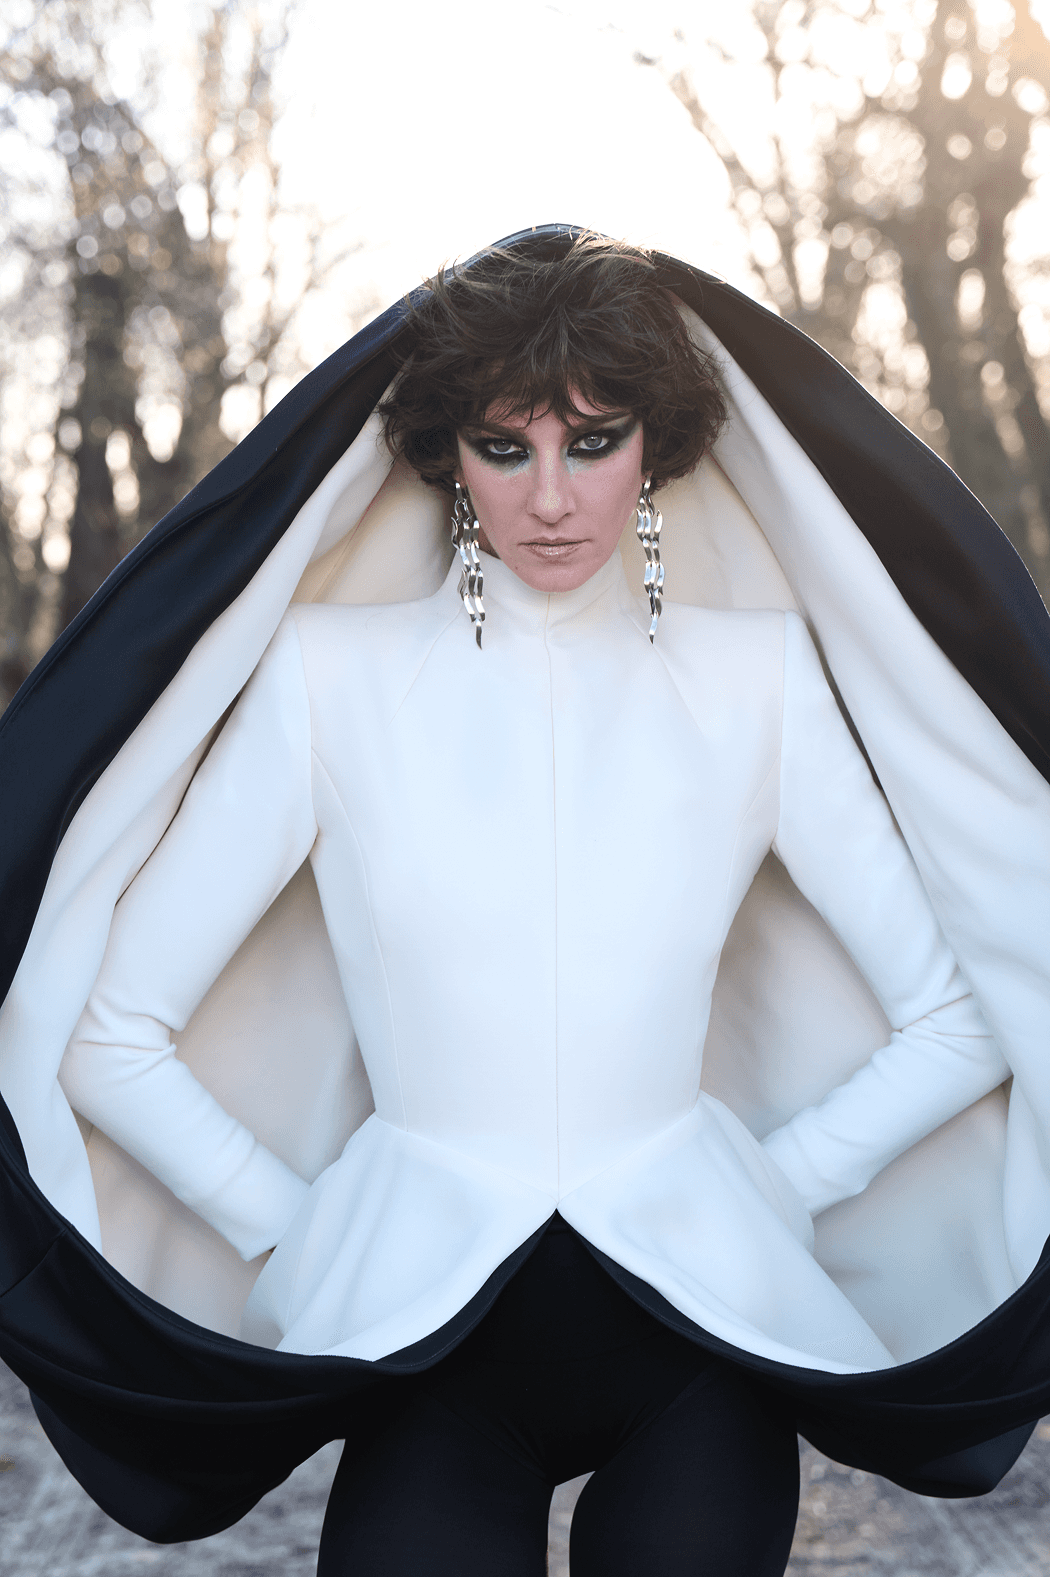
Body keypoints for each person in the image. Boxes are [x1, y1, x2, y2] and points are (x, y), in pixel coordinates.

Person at [1, 227, 1049, 1571]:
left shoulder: (760, 682)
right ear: (448, 455)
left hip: (700, 1345)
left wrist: (768, 1188)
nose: (551, 496)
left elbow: (959, 1018)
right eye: (506, 447)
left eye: (593, 441)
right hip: (429, 1349)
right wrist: (301, 1227)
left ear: (656, 447)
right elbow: (105, 1031)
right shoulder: (328, 680)